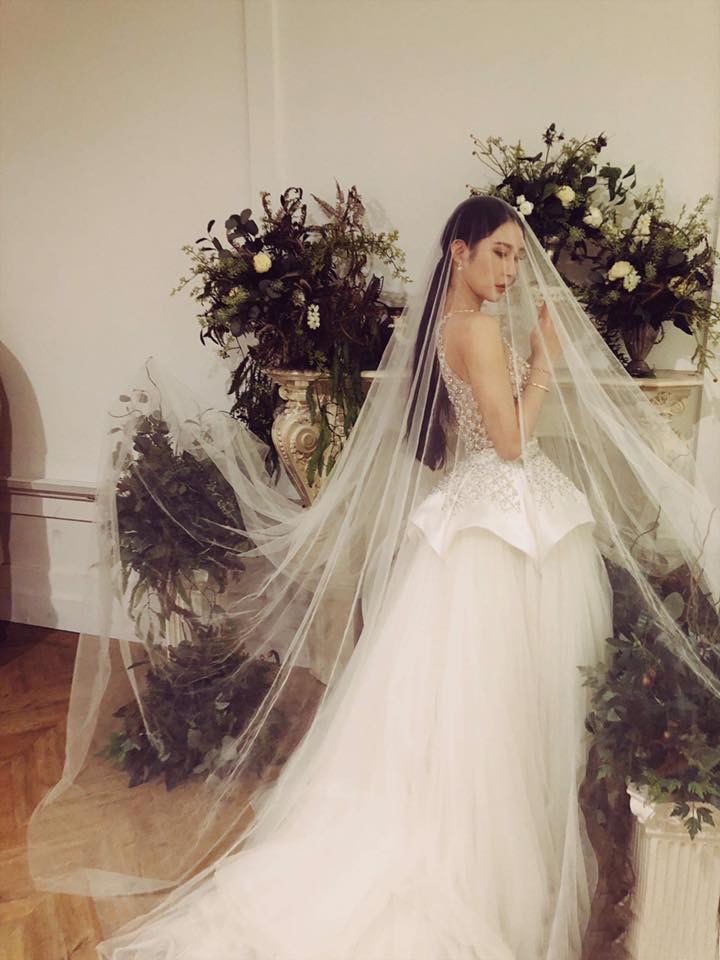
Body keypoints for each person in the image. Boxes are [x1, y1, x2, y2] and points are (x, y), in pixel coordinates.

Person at [28, 197, 720, 959]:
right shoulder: (479, 331)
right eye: (498, 252)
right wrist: (545, 364)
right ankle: (487, 853)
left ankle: (474, 832)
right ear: (458, 252)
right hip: (502, 522)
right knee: (501, 701)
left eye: (517, 257)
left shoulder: (445, 328)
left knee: (468, 702)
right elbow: (511, 443)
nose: (510, 270)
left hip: (475, 516)